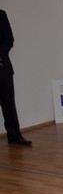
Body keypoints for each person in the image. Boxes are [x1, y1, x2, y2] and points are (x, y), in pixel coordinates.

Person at [0, 9, 31, 146]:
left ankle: (14, 136)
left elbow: (9, 39)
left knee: (8, 104)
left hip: (2, 68)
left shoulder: (1, 14)